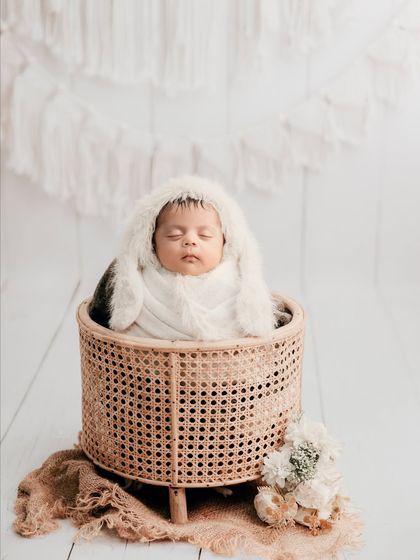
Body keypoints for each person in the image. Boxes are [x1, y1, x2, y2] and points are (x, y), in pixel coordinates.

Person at [89, 175, 291, 340]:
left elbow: (270, 319)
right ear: (151, 243)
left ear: (225, 242)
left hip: (228, 377)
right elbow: (99, 314)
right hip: (148, 377)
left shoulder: (239, 281)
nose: (190, 241)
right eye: (174, 235)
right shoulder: (137, 279)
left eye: (204, 235)